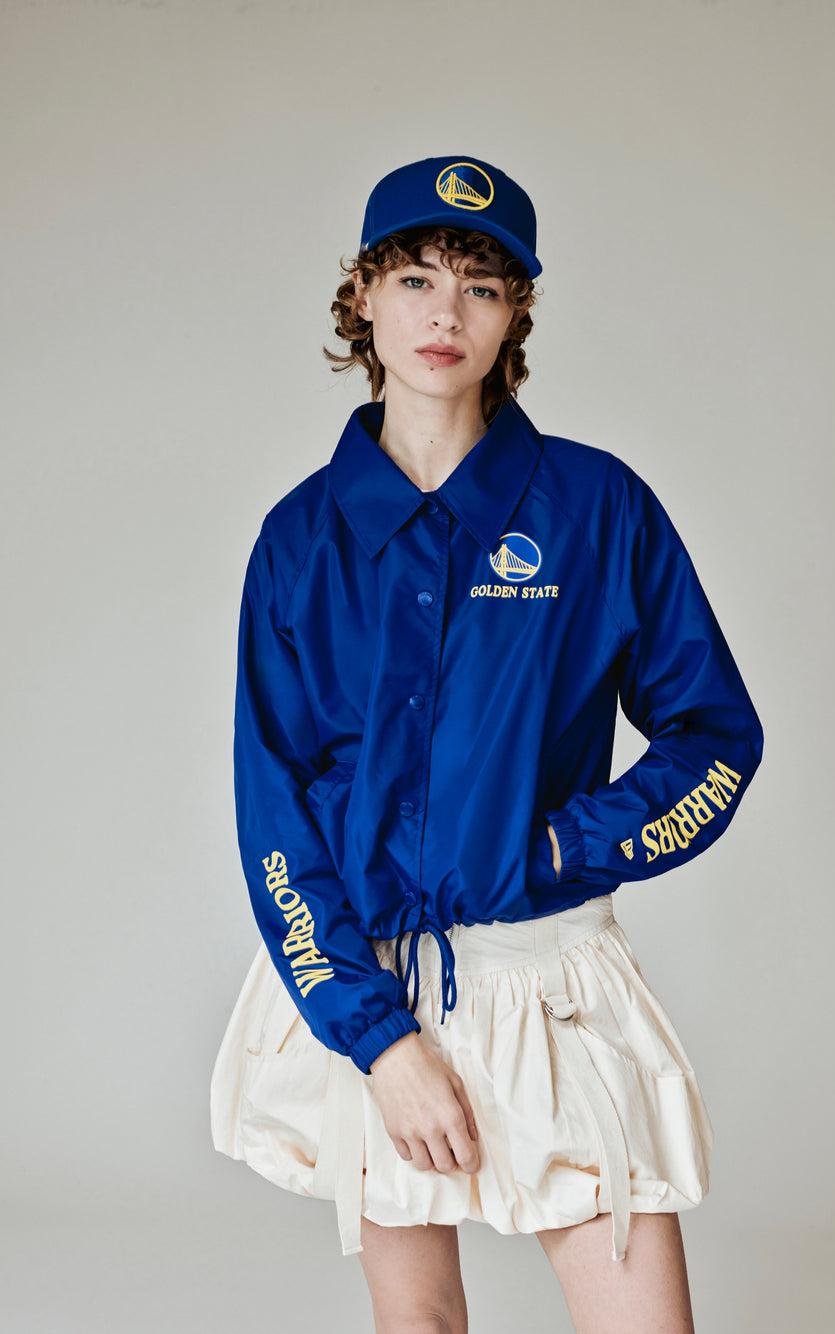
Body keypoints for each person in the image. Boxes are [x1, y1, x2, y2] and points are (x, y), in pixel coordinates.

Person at [211, 154, 764, 1334]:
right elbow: (277, 809)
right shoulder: (299, 539)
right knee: (419, 1321)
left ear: (515, 314)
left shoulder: (596, 508)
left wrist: (559, 848)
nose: (444, 314)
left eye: (480, 285)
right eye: (416, 277)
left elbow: (714, 738)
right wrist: (379, 1040)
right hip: (365, 980)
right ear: (363, 294)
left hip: (547, 982)